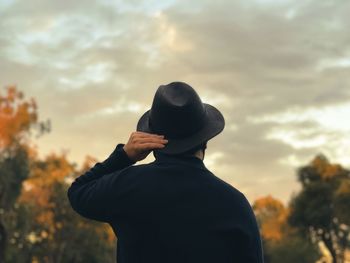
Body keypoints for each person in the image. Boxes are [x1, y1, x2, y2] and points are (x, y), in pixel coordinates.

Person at [67, 81, 264, 263]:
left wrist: (124, 156)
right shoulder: (235, 204)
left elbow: (78, 192)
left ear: (152, 139)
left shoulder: (126, 187)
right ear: (205, 139)